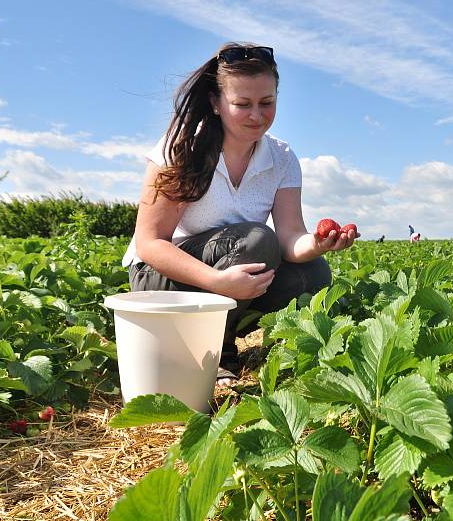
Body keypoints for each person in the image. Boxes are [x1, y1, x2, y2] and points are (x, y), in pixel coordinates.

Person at [121, 42, 358, 385]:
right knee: (257, 241)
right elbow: (150, 243)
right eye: (242, 104)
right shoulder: (182, 145)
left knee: (313, 274)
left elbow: (290, 236)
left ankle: (278, 346)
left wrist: (319, 244)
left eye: (267, 102)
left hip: (233, 266)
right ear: (216, 104)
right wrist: (216, 282)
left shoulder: (282, 158)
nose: (257, 116)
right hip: (159, 276)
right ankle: (212, 352)